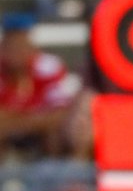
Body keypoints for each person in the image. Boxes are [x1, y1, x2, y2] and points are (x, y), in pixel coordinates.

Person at [0, 14, 84, 161]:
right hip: (11, 132)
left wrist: (21, 121)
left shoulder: (49, 66)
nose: (16, 52)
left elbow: (61, 113)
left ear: (31, 46)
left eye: (21, 45)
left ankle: (55, 179)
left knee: (57, 134)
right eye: (10, 45)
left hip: (40, 132)